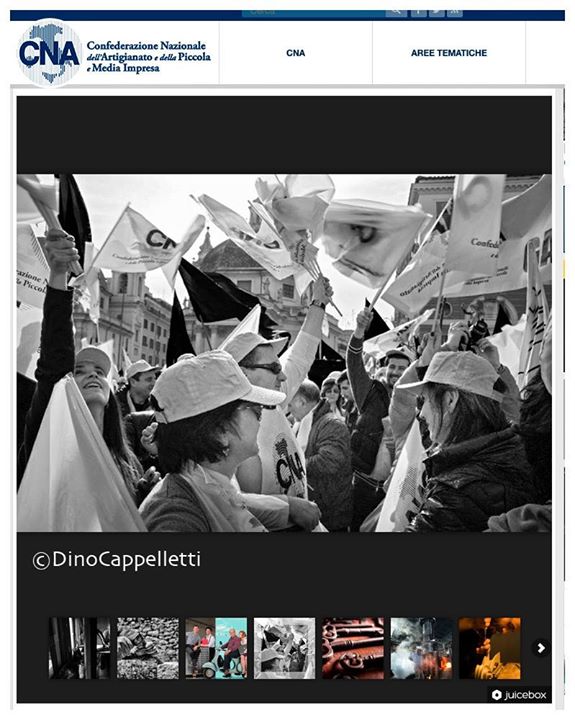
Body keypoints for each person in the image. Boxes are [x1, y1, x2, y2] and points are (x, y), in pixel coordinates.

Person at [17, 229, 153, 504]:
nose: (92, 373)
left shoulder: (129, 463)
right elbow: (54, 361)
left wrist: (146, 494)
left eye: (100, 372)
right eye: (78, 371)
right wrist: (58, 276)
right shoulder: (48, 437)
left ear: (110, 394)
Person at [225, 276, 333, 531]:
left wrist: (318, 304)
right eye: (274, 367)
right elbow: (226, 502)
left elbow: (301, 355)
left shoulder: (271, 400)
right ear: (243, 372)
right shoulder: (222, 427)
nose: (283, 375)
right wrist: (289, 506)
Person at [140, 350, 285, 532]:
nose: (260, 417)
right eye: (254, 409)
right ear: (220, 431)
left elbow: (237, 502)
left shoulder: (206, 485)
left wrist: (290, 507)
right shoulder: (177, 517)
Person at [395, 348, 539, 532]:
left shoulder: (448, 500)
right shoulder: (519, 450)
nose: (421, 413)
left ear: (450, 400)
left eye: (425, 400)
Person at [346, 308, 412, 530]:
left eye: (402, 368)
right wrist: (359, 330)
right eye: (392, 366)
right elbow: (354, 363)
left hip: (398, 490)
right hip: (364, 485)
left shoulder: (417, 402)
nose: (395, 371)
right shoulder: (371, 393)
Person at [289, 380, 353, 531]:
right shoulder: (305, 422)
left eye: (290, 404)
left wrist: (291, 465)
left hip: (331, 513)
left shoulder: (332, 424)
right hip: (318, 507)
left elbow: (328, 462)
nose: (288, 409)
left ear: (301, 402)